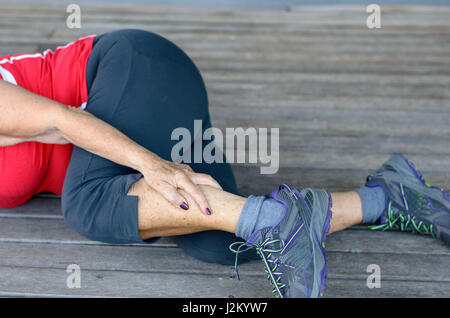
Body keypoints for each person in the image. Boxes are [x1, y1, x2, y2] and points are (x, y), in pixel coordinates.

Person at [0, 29, 448, 298]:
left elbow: (64, 121)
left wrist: (154, 166)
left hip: (133, 69)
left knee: (86, 206)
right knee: (224, 244)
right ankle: (388, 197)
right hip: (117, 144)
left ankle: (277, 222)